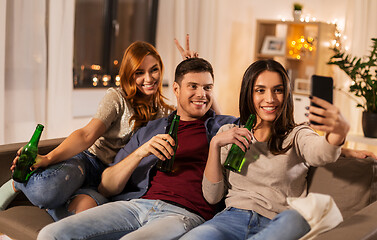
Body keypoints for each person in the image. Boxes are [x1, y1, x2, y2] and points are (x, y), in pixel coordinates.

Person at [37, 57, 237, 240]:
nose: (201, 94)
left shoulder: (225, 128)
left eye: (208, 87)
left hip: (184, 214)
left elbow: (259, 129)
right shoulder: (151, 129)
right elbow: (106, 186)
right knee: (51, 234)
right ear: (176, 89)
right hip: (136, 206)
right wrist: (142, 151)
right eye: (193, 86)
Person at [0, 40, 189, 219]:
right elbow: (86, 135)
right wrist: (48, 158)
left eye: (154, 70)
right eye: (139, 72)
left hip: (115, 181)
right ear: (129, 74)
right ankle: (19, 182)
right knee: (44, 192)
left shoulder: (166, 112)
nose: (148, 78)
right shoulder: (117, 98)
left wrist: (192, 72)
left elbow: (204, 114)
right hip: (89, 163)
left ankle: (64, 198)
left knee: (86, 216)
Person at [179, 59, 351, 240]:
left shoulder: (297, 135)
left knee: (298, 218)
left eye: (278, 90)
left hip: (277, 222)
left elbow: (321, 153)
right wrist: (215, 145)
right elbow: (212, 197)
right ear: (248, 94)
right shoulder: (228, 133)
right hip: (229, 221)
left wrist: (338, 133)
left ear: (286, 94)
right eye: (260, 90)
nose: (270, 99)